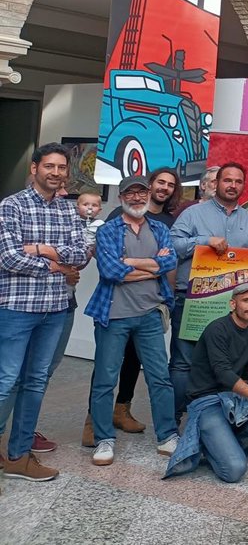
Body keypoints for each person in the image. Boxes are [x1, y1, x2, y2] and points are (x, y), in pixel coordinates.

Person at [0, 143, 90, 482]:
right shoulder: (11, 206)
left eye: (61, 167)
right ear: (34, 168)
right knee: (6, 381)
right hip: (16, 308)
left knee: (35, 382)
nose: (55, 172)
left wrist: (40, 249)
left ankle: (19, 456)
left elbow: (80, 254)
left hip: (55, 310)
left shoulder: (68, 209)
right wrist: (56, 265)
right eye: (49, 166)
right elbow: (9, 257)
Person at [85, 176, 179, 467]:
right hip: (113, 315)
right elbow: (111, 271)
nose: (137, 198)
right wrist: (153, 266)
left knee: (159, 378)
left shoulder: (160, 229)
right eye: (130, 193)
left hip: (150, 314)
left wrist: (130, 262)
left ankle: (167, 436)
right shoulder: (109, 229)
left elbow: (170, 262)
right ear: (121, 197)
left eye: (141, 192)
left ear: (148, 194)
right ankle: (104, 439)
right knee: (105, 379)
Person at [169, 162, 248, 422]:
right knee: (184, 363)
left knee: (228, 363)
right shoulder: (193, 214)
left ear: (243, 186)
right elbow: (173, 245)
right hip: (195, 301)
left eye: (238, 181)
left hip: (234, 306)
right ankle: (175, 421)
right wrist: (204, 241)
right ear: (216, 183)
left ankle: (220, 417)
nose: (232, 186)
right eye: (227, 180)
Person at [164, 283, 248, 483]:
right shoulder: (217, 329)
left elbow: (247, 370)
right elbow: (223, 374)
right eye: (246, 300)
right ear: (232, 304)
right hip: (207, 401)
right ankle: (208, 444)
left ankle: (222, 438)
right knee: (234, 470)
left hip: (232, 398)